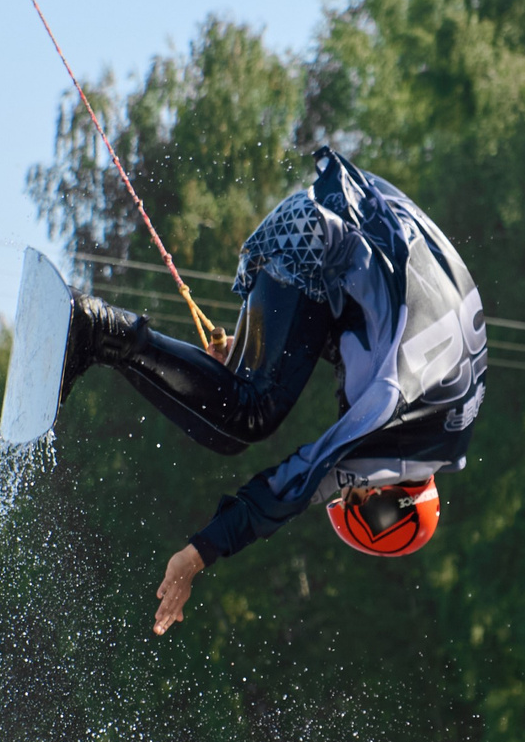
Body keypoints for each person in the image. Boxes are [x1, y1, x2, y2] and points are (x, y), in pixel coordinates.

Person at [58, 147, 488, 634]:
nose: (350, 481)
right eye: (358, 494)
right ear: (383, 494)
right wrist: (200, 552)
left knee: (239, 395)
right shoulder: (398, 417)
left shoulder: (450, 406)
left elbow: (368, 310)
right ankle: (97, 331)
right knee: (245, 421)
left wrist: (243, 356)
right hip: (318, 241)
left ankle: (100, 338)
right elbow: (294, 485)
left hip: (326, 223)